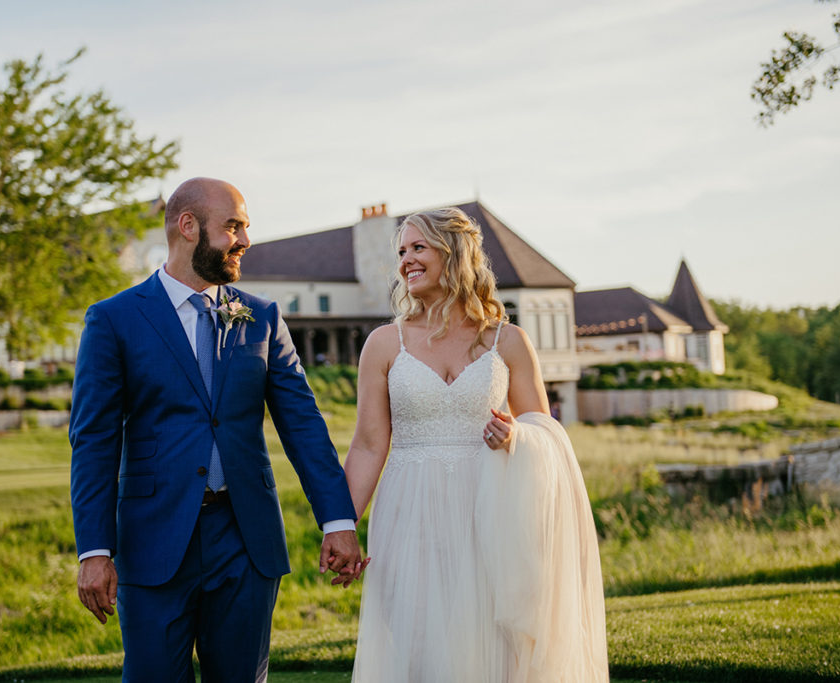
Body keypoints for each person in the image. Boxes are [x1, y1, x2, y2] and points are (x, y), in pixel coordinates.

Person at [69, 177, 363, 682]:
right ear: (188, 227)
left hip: (246, 541)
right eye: (233, 227)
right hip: (153, 543)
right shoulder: (114, 320)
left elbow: (304, 426)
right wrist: (96, 550)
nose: (245, 240)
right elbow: (94, 442)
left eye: (245, 227)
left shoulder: (263, 318)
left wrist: (338, 521)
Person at [344, 208, 608, 682]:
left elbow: (544, 432)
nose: (406, 260)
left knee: (498, 650)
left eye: (417, 247)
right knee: (419, 649)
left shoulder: (508, 341)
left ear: (455, 253)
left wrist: (516, 437)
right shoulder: (384, 344)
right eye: (401, 251)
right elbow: (367, 445)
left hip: (491, 514)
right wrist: (341, 526)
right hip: (409, 515)